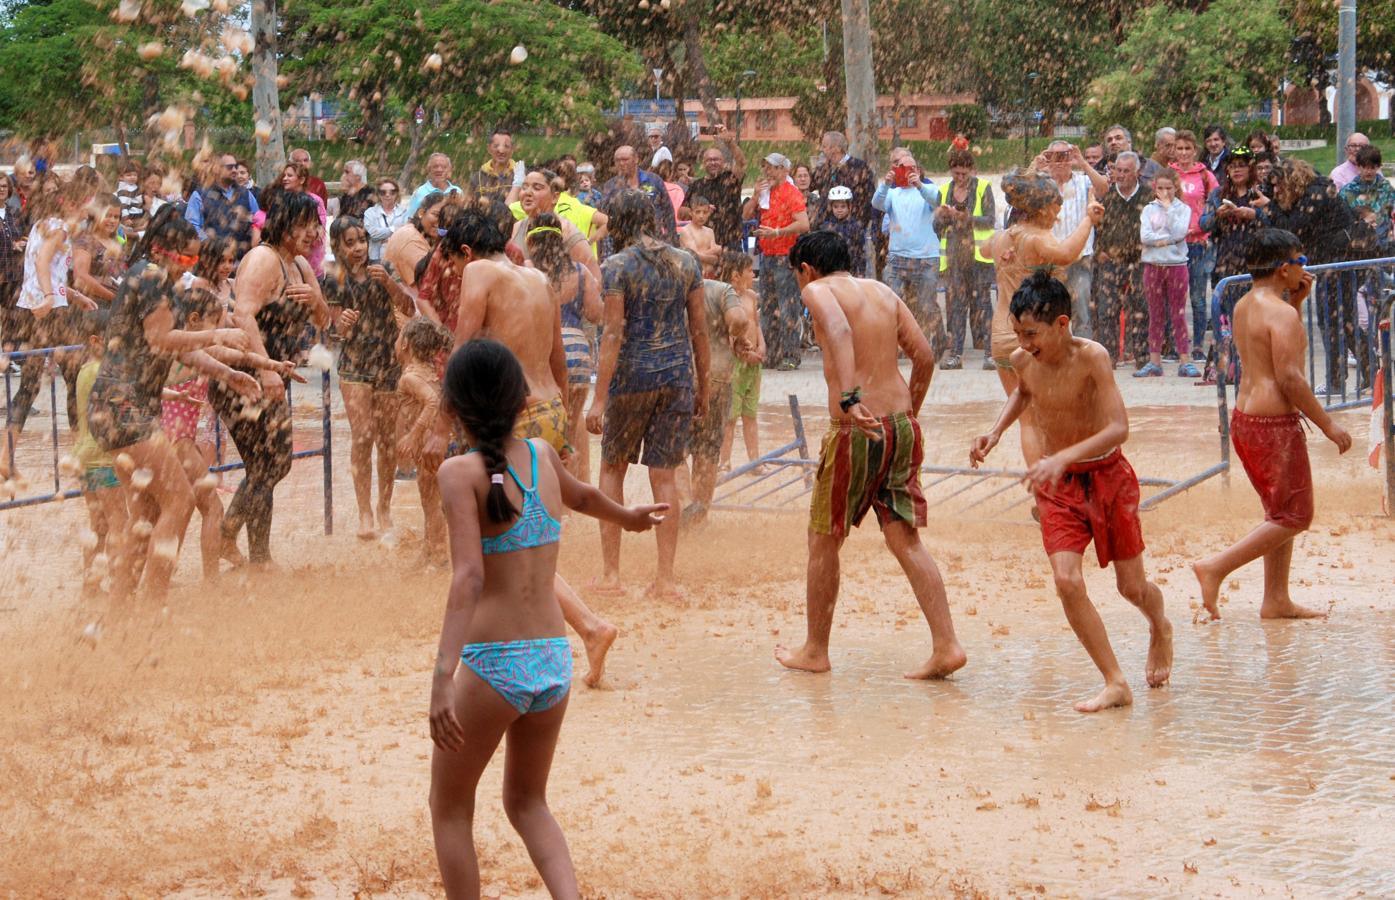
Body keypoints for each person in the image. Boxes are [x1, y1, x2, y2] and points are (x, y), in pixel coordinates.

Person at [427, 339, 665, 900]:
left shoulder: (457, 474)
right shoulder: (540, 454)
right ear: (521, 399)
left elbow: (468, 579)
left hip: (494, 663)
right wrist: (626, 515)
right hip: (553, 662)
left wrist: (442, 675)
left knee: (449, 808)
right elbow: (582, 496)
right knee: (528, 802)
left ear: (454, 405)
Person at [970, 271, 1171, 713]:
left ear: (1062, 324)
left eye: (1032, 334)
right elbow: (1024, 392)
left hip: (1107, 478)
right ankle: (1115, 680)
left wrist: (1063, 456)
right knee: (1066, 580)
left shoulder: (1093, 357)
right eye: (1018, 334)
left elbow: (1120, 428)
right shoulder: (1024, 360)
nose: (1023, 344)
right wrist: (995, 432)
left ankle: (1160, 626)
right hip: (1059, 487)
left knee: (1131, 588)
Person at [774, 231, 965, 679]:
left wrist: (849, 397)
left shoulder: (818, 290)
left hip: (855, 428)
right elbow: (925, 357)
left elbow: (839, 329)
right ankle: (947, 644)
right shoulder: (881, 290)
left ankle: (815, 650)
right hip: (901, 426)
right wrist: (907, 414)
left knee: (823, 538)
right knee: (905, 539)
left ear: (806, 269)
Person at [446, 210, 622, 686]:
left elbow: (462, 353)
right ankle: (567, 631)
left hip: (510, 417)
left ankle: (587, 626)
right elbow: (556, 360)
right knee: (529, 540)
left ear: (464, 252)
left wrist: (442, 419)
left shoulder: (478, 271)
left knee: (508, 546)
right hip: (548, 409)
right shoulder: (540, 277)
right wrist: (561, 428)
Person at [87, 215, 261, 598]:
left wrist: (228, 374)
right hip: (125, 405)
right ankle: (153, 604)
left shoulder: (152, 277)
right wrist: (219, 332)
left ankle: (120, 612)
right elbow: (162, 339)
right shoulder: (151, 276)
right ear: (164, 249)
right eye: (186, 257)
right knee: (180, 501)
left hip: (119, 406)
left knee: (148, 515)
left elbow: (183, 347)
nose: (190, 266)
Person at [1192, 229, 1353, 621]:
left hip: (1246, 419)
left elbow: (1272, 356)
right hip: (1273, 423)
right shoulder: (1280, 313)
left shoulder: (1247, 303)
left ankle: (1276, 598)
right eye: (1302, 262)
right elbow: (1291, 378)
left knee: (1279, 512)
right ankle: (1216, 567)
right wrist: (1328, 424)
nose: (1305, 269)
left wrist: (1295, 303)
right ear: (1285, 268)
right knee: (1296, 516)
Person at [585, 189, 710, 599]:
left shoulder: (617, 265)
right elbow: (700, 331)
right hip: (677, 376)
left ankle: (610, 574)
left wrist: (599, 398)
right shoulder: (686, 261)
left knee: (612, 468)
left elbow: (614, 333)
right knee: (665, 475)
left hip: (632, 378)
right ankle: (666, 579)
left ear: (618, 224)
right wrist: (703, 385)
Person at [214, 192, 332, 567]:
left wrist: (314, 300)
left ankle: (227, 532)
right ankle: (259, 558)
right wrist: (264, 369)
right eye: (306, 225)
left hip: (273, 375)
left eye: (316, 225)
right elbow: (244, 315)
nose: (314, 233)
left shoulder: (298, 265)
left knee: (278, 463)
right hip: (243, 376)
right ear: (284, 225)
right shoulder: (263, 260)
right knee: (263, 466)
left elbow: (323, 320)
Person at [982, 170, 1102, 464]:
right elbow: (1066, 253)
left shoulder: (1000, 239)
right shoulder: (1036, 238)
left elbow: (985, 250)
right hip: (1035, 339)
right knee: (1054, 413)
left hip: (1002, 337)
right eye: (1055, 209)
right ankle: (1055, 485)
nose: (1057, 216)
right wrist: (1089, 219)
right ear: (1041, 208)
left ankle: (1041, 489)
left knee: (1027, 419)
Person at [324, 216, 413, 539]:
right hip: (355, 365)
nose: (358, 247)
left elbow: (409, 307)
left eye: (361, 240)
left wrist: (390, 285)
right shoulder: (333, 276)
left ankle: (384, 507)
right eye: (350, 242)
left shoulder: (384, 269)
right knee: (362, 435)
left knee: (387, 440)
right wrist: (343, 323)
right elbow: (335, 333)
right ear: (337, 246)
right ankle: (364, 512)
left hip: (388, 362)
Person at [4, 181, 98, 478]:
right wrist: (49, 297)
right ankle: (79, 453)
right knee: (75, 378)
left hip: (33, 307)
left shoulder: (42, 225)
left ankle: (6, 455)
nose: (88, 210)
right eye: (87, 203)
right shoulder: (59, 229)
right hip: (48, 310)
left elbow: (42, 270)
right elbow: (43, 263)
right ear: (73, 204)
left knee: (30, 384)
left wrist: (74, 295)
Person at [1265, 158, 1365, 395]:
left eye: (1279, 185)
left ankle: (1340, 379)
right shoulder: (1315, 191)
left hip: (1339, 265)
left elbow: (1294, 229)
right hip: (1339, 264)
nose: (1276, 191)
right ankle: (1363, 374)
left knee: (1334, 322)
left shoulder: (1314, 195)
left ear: (1290, 181)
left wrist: (1269, 207)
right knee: (1341, 322)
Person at [528, 213, 601, 484]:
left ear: (531, 241)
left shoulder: (526, 270)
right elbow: (595, 314)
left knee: (542, 428)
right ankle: (577, 491)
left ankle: (546, 491)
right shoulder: (580, 271)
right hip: (577, 352)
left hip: (542, 352)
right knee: (571, 424)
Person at [684, 261, 750, 524]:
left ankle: (682, 504)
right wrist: (736, 337)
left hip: (679, 377)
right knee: (708, 450)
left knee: (674, 450)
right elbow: (738, 320)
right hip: (716, 377)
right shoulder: (720, 289)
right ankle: (698, 514)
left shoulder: (671, 290)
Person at [72, 310, 127, 594]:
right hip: (105, 458)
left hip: (85, 457)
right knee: (120, 523)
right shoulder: (101, 372)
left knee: (99, 526)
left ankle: (91, 584)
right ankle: (121, 585)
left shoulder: (85, 370)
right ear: (96, 340)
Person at [873, 148, 945, 358]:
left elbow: (937, 200)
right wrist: (886, 183)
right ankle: (897, 344)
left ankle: (934, 343)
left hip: (926, 258)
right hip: (898, 258)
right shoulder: (893, 193)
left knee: (926, 305)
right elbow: (876, 204)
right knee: (892, 303)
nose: (905, 171)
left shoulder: (928, 189)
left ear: (918, 169)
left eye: (910, 167)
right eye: (900, 167)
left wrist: (919, 184)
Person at [1033, 140, 1109, 339]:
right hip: (1049, 259)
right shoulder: (1040, 182)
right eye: (1054, 156)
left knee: (1081, 312)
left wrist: (1082, 162)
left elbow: (1103, 188)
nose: (1059, 161)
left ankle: (1082, 359)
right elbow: (1016, 193)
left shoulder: (1083, 181)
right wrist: (1035, 167)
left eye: (1063, 155)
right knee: (1048, 313)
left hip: (1079, 258)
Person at [742, 152, 810, 371]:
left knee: (787, 306)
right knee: (769, 306)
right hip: (767, 256)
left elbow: (804, 224)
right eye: (766, 168)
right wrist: (754, 196)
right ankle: (772, 353)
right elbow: (745, 216)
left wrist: (778, 232)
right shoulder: (764, 193)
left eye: (772, 168)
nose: (767, 172)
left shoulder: (792, 193)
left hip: (786, 256)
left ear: (784, 170)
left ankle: (791, 354)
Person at [395, 316, 455, 563]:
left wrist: (413, 434)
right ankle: (428, 550)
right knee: (432, 500)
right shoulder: (430, 372)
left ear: (406, 344)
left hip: (429, 448)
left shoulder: (411, 377)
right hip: (438, 447)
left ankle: (438, 554)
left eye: (399, 337)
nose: (395, 342)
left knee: (431, 503)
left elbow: (432, 401)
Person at [1200, 146, 1268, 361]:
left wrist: (1255, 214)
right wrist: (1218, 215)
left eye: (1242, 166)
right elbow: (1203, 224)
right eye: (1232, 166)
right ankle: (1228, 365)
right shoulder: (1218, 194)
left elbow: (1277, 221)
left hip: (1256, 261)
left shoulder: (1261, 192)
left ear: (1251, 168)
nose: (1237, 170)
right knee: (1227, 316)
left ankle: (1254, 362)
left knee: (1255, 316)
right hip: (1226, 261)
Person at [934, 148, 996, 370]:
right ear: (950, 170)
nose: (960, 178)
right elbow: (936, 228)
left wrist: (966, 218)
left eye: (964, 173)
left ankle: (990, 354)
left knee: (983, 306)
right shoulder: (943, 191)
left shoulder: (983, 188)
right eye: (956, 173)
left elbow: (990, 220)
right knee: (957, 307)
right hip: (955, 258)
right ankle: (956, 355)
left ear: (972, 170)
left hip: (979, 257)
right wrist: (942, 217)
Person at [1091, 151, 1151, 368]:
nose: (1121, 175)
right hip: (1111, 261)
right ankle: (1110, 358)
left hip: (1140, 261)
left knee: (1141, 310)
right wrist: (1099, 251)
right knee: (1107, 310)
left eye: (1127, 171)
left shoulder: (1148, 196)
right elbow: (1094, 227)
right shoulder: (1106, 197)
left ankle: (1142, 358)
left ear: (1137, 173)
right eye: (1118, 170)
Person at [1135, 169, 1196, 378]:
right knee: (1155, 314)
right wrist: (1170, 239)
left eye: (1168, 188)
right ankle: (1154, 361)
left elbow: (1180, 232)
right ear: (1155, 188)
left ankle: (1185, 360)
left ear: (1175, 188)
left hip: (1176, 265)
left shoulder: (1183, 208)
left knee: (1178, 313)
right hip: (1153, 265)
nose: (1164, 192)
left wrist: (1169, 211)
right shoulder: (1148, 210)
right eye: (1160, 188)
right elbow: (1145, 236)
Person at [1168, 130, 1220, 362]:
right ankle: (1176, 343)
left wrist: (1201, 227)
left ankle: (1198, 344)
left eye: (1188, 148)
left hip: (1198, 243)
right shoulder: (1169, 174)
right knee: (1174, 297)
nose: (1183, 153)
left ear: (1195, 150)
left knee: (1198, 297)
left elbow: (1214, 206)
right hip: (1174, 243)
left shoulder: (1206, 176)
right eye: (1179, 148)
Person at [506, 168, 600, 284]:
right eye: (524, 187)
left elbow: (595, 281)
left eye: (537, 188)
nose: (527, 192)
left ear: (555, 197)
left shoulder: (567, 231)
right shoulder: (518, 227)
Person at [719, 250, 765, 473]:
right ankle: (724, 461)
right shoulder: (728, 298)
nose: (753, 274)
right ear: (735, 276)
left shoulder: (751, 296)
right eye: (749, 270)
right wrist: (746, 354)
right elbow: (730, 335)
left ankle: (754, 460)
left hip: (755, 362)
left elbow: (756, 324)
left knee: (750, 414)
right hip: (736, 364)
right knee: (731, 417)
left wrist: (762, 346)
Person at [809, 131, 878, 273]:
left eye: (824, 146)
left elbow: (870, 199)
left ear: (836, 148)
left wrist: (857, 223)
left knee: (852, 275)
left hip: (852, 235)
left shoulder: (859, 168)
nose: (822, 149)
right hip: (826, 231)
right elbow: (808, 186)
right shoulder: (823, 169)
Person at [679, 127, 746, 250]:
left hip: (730, 241)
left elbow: (741, 163)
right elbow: (681, 213)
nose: (713, 163)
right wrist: (700, 210)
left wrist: (730, 143)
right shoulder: (696, 185)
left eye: (716, 160)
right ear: (703, 164)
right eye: (709, 160)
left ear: (723, 162)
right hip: (703, 244)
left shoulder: (731, 179)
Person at [185, 154, 260, 261]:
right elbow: (192, 226)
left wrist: (256, 234)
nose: (235, 170)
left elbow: (258, 218)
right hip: (212, 262)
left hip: (243, 262)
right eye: (230, 167)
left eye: (235, 166)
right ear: (216, 168)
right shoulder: (200, 194)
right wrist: (210, 244)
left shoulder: (246, 194)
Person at [600, 145, 678, 246]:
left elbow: (668, 210)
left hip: (653, 238)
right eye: (617, 160)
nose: (621, 163)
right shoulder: (610, 186)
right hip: (623, 242)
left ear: (636, 159)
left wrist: (672, 238)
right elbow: (604, 215)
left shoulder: (653, 180)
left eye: (625, 159)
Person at [383, 191, 449, 292]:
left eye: (445, 217)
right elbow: (432, 282)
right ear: (421, 213)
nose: (441, 221)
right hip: (403, 303)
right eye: (436, 215)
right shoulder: (411, 238)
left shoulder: (417, 232)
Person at [467, 128, 525, 237]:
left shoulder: (521, 175)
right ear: (489, 148)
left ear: (512, 149)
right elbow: (472, 207)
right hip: (485, 233)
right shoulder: (477, 177)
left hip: (515, 232)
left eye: (506, 146)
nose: (501, 150)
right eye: (496, 146)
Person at [1338, 144, 1395, 252]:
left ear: (1378, 167)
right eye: (1365, 167)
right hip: (1358, 248)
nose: (1368, 171)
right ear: (1358, 166)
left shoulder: (1387, 189)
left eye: (1372, 168)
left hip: (1385, 246)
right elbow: (1342, 221)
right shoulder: (1347, 192)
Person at [71, 193, 124, 307]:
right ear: (96, 215)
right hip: (92, 305)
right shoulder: (85, 240)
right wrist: (115, 299)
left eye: (116, 217)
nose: (112, 220)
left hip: (116, 302)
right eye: (107, 215)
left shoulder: (116, 242)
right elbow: (80, 278)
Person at [819, 185, 868, 281]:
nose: (839, 209)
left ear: (850, 207)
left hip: (850, 269)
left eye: (843, 206)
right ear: (831, 207)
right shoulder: (826, 227)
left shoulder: (856, 227)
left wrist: (861, 272)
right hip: (830, 270)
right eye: (835, 206)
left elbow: (860, 251)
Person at [364, 178, 410, 263]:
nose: (387, 195)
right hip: (376, 258)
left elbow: (406, 235)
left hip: (398, 258)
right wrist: (395, 229)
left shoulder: (405, 212)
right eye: (383, 192)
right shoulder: (370, 212)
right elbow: (373, 234)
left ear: (397, 193)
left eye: (392, 192)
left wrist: (382, 237)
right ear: (378, 194)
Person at [678, 193, 721, 275]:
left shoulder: (710, 231)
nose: (701, 216)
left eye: (705, 212)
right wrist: (715, 250)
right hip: (694, 277)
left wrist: (700, 254)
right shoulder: (686, 231)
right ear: (691, 212)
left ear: (709, 213)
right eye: (697, 212)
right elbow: (694, 256)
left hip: (710, 275)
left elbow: (715, 259)